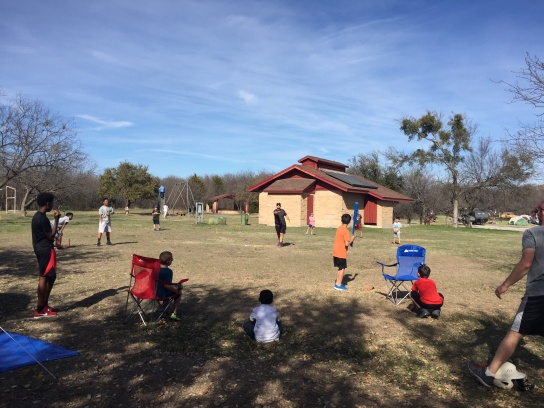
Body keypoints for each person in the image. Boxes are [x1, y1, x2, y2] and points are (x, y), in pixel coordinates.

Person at [468, 200, 544, 388]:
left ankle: (488, 373)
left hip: (537, 295)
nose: (536, 213)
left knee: (515, 333)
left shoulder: (532, 233)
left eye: (537, 210)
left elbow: (526, 264)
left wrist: (505, 284)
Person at [32, 192, 60, 318]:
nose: (52, 206)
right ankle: (40, 309)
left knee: (51, 276)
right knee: (44, 276)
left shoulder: (37, 216)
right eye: (52, 203)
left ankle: (44, 305)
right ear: (47, 204)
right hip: (46, 250)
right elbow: (50, 236)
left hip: (41, 249)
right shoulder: (42, 218)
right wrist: (57, 220)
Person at [156, 251, 184, 321]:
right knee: (178, 293)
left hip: (152, 291)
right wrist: (176, 291)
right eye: (172, 259)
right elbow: (167, 285)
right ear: (169, 261)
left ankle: (163, 310)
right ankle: (174, 313)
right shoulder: (168, 271)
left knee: (169, 291)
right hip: (161, 294)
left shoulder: (155, 269)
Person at [332, 214, 356, 291]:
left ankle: (337, 283)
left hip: (336, 252)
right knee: (342, 269)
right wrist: (352, 239)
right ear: (349, 222)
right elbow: (346, 243)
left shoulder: (339, 229)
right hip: (341, 252)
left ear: (341, 220)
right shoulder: (346, 231)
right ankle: (338, 284)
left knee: (340, 268)